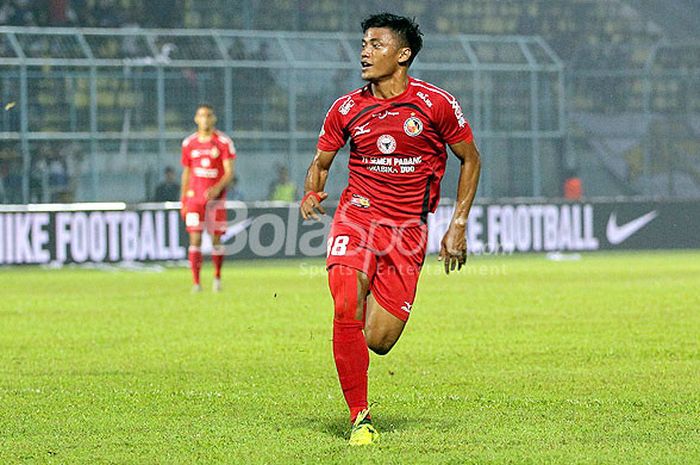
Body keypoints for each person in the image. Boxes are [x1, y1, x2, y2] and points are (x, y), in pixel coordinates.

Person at [300, 13, 481, 446]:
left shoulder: (435, 105)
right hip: (356, 217)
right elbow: (321, 164)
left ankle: (351, 348)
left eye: (376, 44)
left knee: (378, 340)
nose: (365, 51)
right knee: (346, 299)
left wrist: (457, 225)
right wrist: (311, 192)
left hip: (408, 232)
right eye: (364, 43)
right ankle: (359, 416)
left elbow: (470, 159)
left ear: (403, 55)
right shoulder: (346, 108)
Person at [181, 104, 236, 293]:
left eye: (208, 115)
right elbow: (186, 173)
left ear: (214, 119)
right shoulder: (189, 143)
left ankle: (217, 278)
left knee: (215, 240)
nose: (205, 119)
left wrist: (217, 188)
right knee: (194, 239)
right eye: (201, 115)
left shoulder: (223, 142)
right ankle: (196, 283)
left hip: (215, 200)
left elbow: (229, 173)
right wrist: (183, 200)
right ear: (196, 119)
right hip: (194, 200)